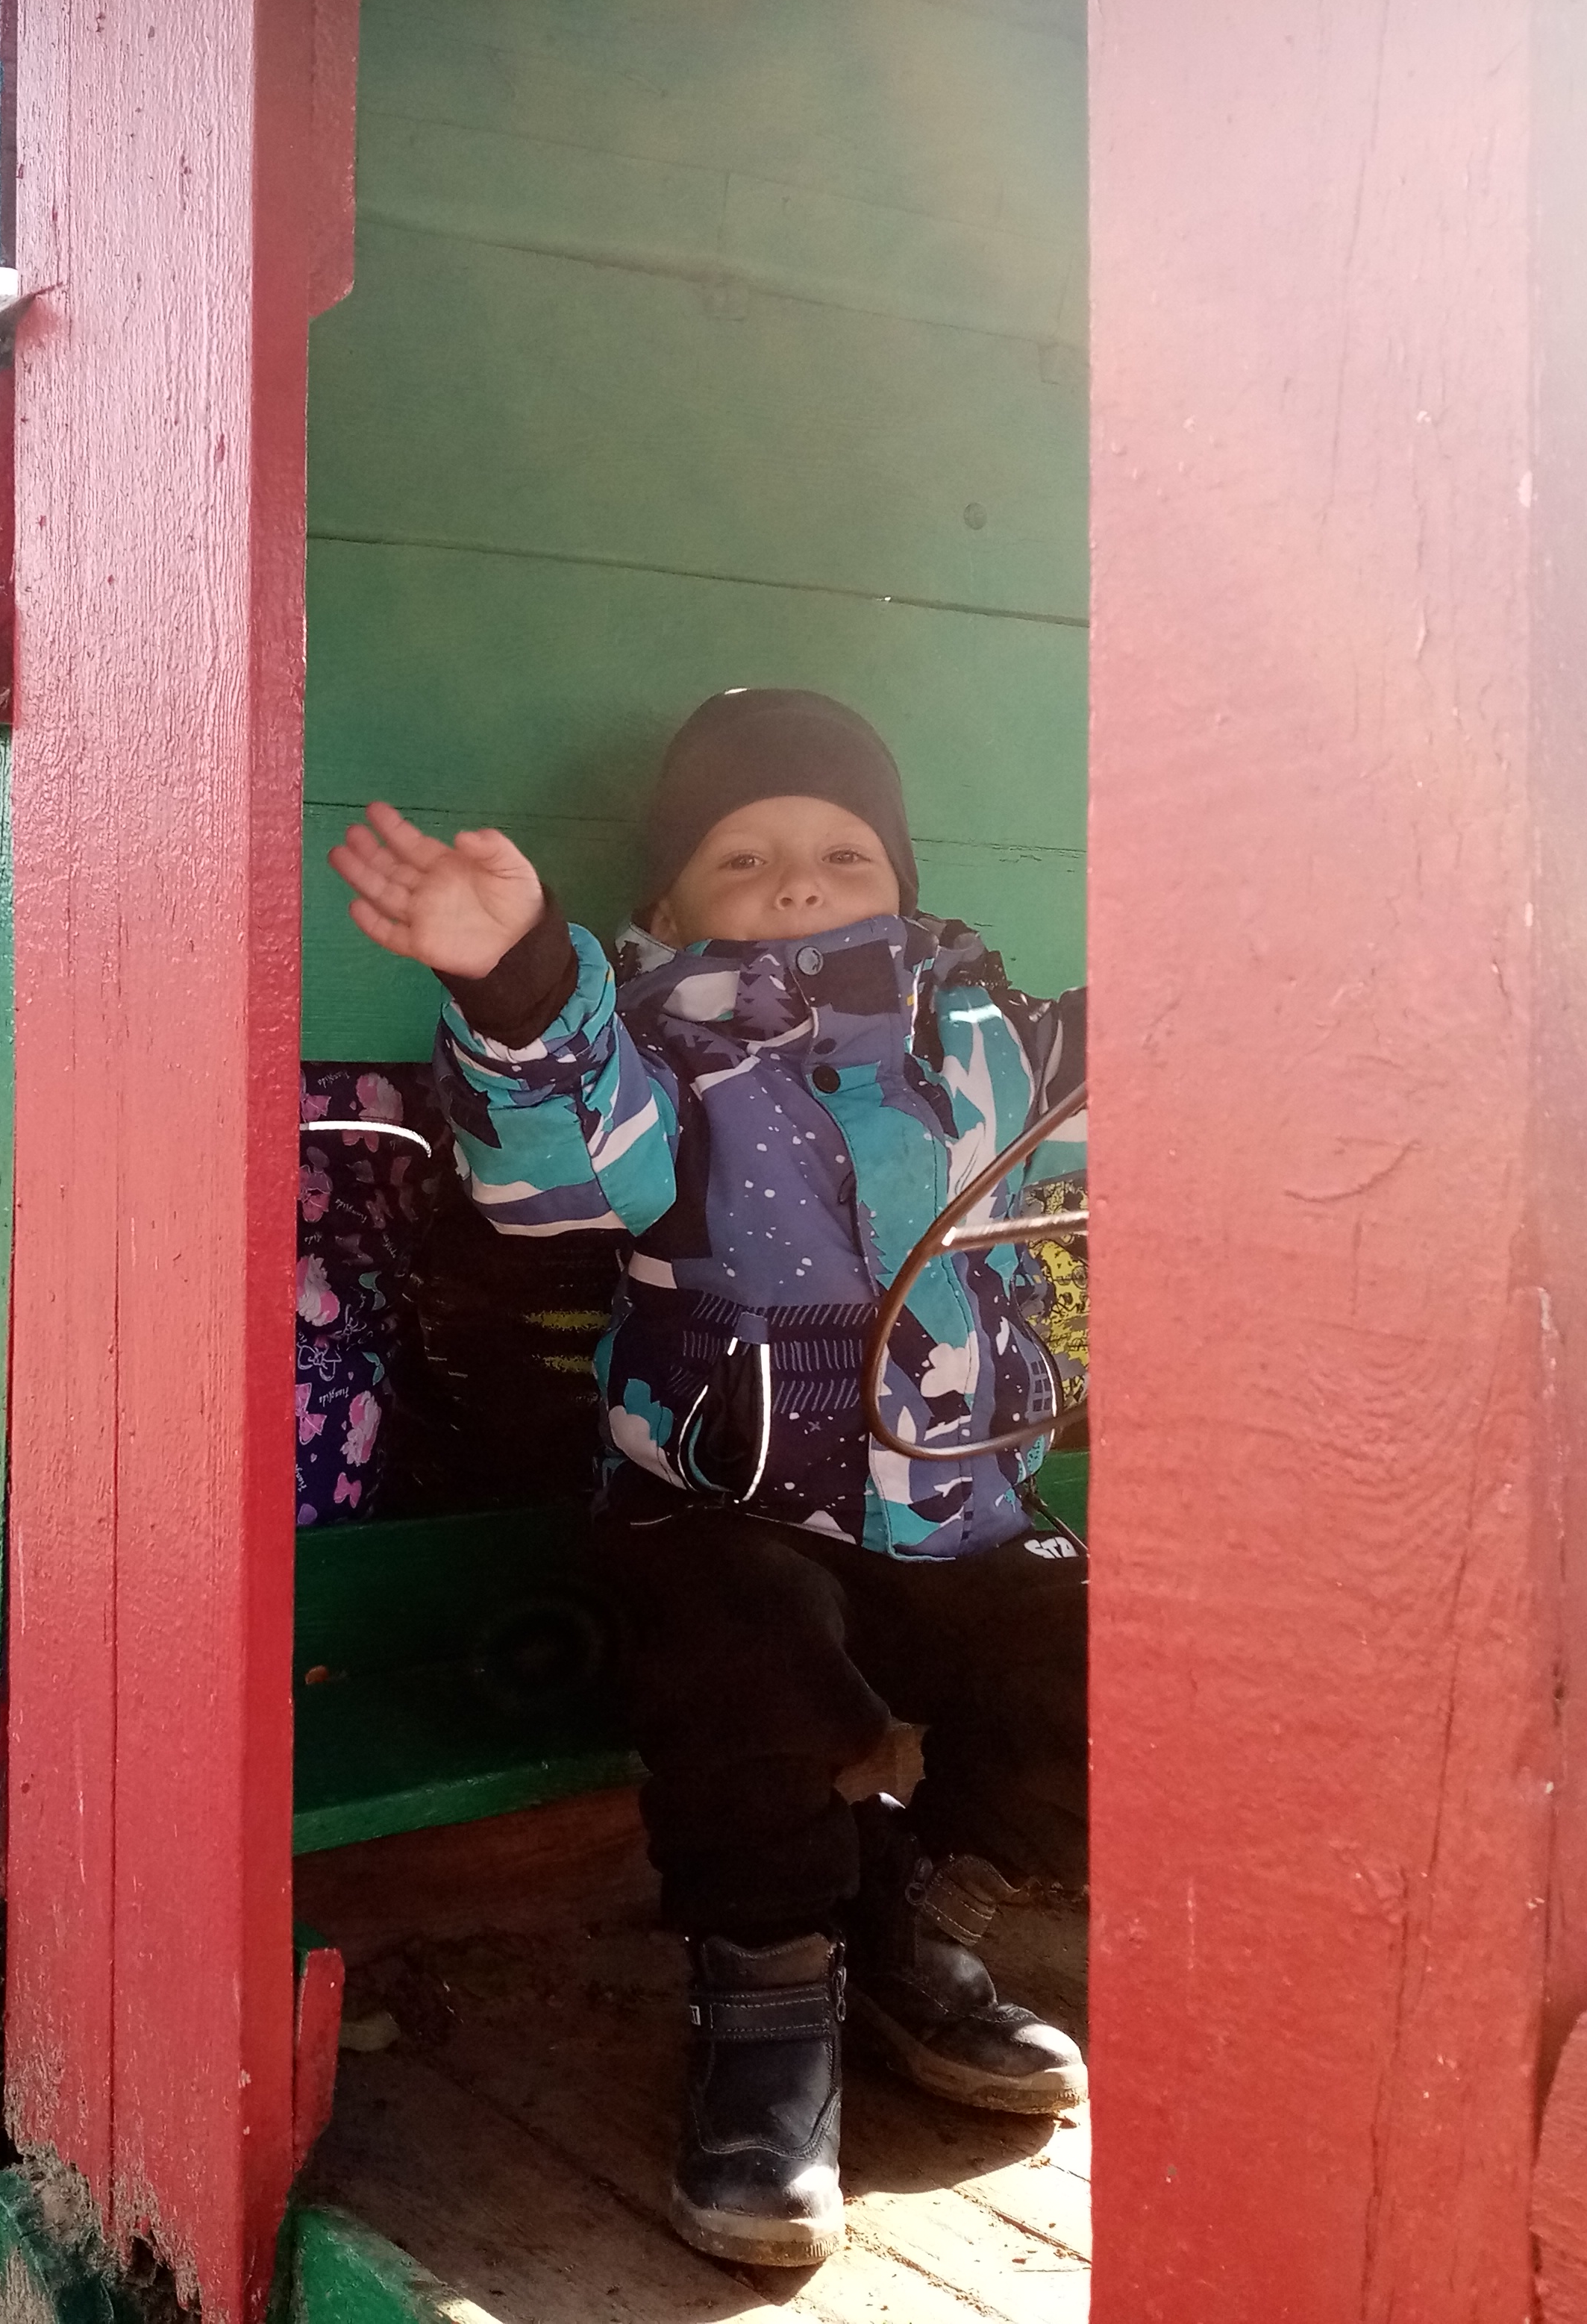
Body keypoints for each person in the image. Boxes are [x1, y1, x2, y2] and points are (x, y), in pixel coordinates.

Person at [328, 689, 1089, 2270]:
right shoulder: (664, 1051)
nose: (799, 880)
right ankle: (769, 2005)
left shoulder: (985, 1042)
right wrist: (520, 983)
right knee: (748, 1670)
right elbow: (556, 1181)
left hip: (955, 1512)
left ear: (905, 884)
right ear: (668, 912)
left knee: (1114, 1673)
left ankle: (918, 1920)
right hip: (720, 1515)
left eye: (843, 852)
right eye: (743, 857)